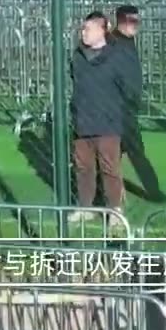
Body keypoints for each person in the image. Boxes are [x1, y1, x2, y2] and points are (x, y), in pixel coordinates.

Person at [69, 11, 127, 221]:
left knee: (110, 168)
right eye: (83, 29)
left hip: (108, 123)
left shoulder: (116, 57)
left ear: (102, 30)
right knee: (83, 167)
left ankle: (115, 211)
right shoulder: (78, 57)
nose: (84, 33)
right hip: (83, 121)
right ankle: (85, 208)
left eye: (89, 29)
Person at [109, 5, 165, 203]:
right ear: (121, 21)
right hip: (117, 110)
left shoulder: (127, 41)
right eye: (132, 21)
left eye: (137, 21)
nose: (136, 26)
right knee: (115, 156)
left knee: (133, 153)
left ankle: (153, 190)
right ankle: (114, 198)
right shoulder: (113, 44)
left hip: (128, 110)